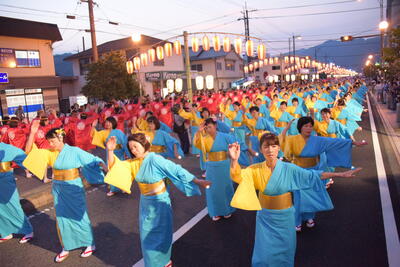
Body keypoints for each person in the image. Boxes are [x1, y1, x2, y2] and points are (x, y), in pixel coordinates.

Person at [228, 134, 361, 267]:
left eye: (273, 146)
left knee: (285, 251)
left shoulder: (288, 168)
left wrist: (339, 174)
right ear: (261, 149)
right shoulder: (255, 169)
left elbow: (312, 176)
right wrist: (234, 160)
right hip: (265, 217)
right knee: (264, 252)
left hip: (285, 217)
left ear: (278, 148)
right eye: (266, 147)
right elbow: (239, 177)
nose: (270, 150)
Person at [104, 133, 210, 267]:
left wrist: (197, 180)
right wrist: (110, 150)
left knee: (160, 233)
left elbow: (176, 170)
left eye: (136, 147)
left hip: (159, 202)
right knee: (146, 235)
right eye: (131, 148)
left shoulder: (155, 159)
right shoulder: (133, 163)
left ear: (144, 145)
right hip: (145, 203)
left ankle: (164, 261)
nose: (133, 150)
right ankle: (153, 263)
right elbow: (115, 168)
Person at [23, 122, 106, 263]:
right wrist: (32, 133)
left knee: (79, 216)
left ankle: (89, 243)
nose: (51, 144)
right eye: (49, 142)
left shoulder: (74, 151)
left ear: (61, 138)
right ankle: (67, 246)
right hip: (58, 189)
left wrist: (106, 167)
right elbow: (28, 152)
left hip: (73, 187)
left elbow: (93, 160)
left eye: (53, 141)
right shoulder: (50, 153)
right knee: (62, 218)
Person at [280, 117, 366, 232]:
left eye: (310, 126)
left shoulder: (317, 140)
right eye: (306, 126)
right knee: (299, 197)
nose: (309, 128)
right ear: (300, 127)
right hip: (298, 171)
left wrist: (354, 142)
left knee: (312, 194)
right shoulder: (292, 139)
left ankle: (310, 218)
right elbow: (282, 140)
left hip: (313, 170)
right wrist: (286, 127)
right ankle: (297, 221)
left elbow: (335, 142)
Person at [193, 118, 236, 221]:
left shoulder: (225, 136)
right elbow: (196, 143)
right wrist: (199, 131)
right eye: (206, 127)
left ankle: (227, 209)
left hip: (224, 165)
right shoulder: (204, 138)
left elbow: (235, 144)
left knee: (226, 187)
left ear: (215, 126)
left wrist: (233, 154)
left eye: (210, 127)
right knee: (212, 188)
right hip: (211, 166)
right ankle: (215, 211)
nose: (208, 129)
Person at [0, 142, 33, 243]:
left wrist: (31, 134)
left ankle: (28, 231)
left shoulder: (6, 148)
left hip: (5, 182)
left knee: (14, 206)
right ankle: (6, 232)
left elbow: (25, 158)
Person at [92, 116, 129, 197]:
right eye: (106, 122)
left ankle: (123, 187)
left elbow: (125, 143)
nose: (107, 124)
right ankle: (113, 189)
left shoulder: (118, 132)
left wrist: (128, 153)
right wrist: (93, 126)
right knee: (110, 171)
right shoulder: (103, 132)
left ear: (113, 123)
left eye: (109, 122)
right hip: (109, 153)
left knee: (120, 171)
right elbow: (94, 135)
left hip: (119, 154)